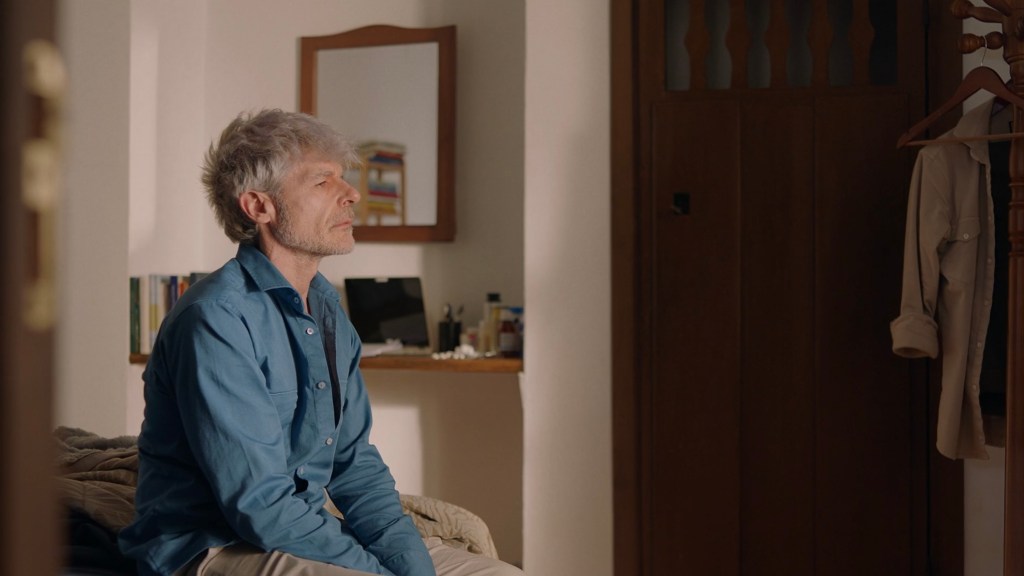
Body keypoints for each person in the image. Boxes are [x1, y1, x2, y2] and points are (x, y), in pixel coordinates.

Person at [119, 109, 523, 576]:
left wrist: (412, 567)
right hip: (214, 546)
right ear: (259, 206)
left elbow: (354, 464)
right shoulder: (216, 319)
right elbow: (261, 505)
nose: (351, 193)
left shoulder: (327, 310)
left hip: (300, 533)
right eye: (322, 181)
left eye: (342, 177)